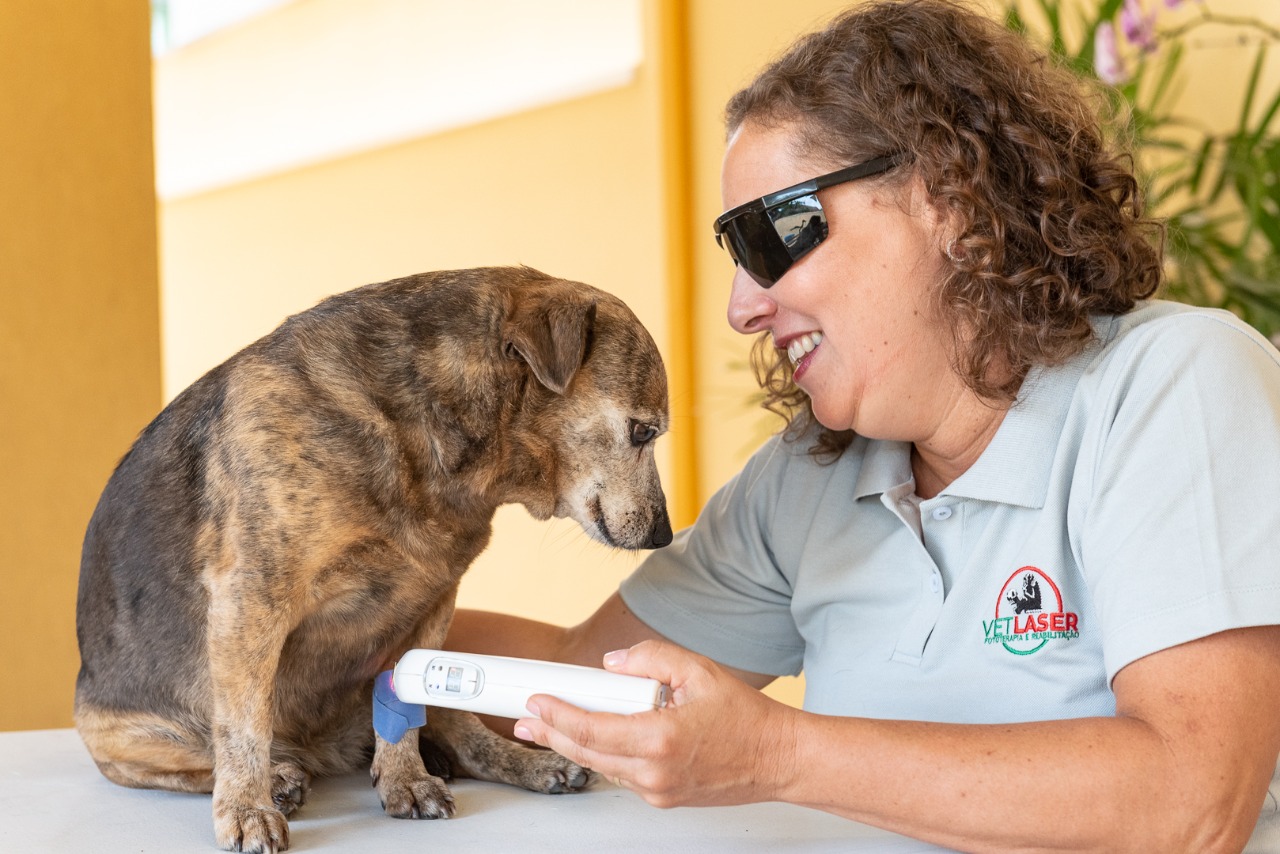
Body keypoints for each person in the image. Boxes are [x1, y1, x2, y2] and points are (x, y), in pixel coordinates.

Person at [447, 1, 1280, 850]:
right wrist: (338, 619)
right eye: (734, 258)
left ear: (946, 197)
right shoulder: (810, 480)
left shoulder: (1174, 386)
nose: (742, 307)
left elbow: (1194, 801)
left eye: (773, 236)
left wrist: (777, 753)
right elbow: (586, 678)